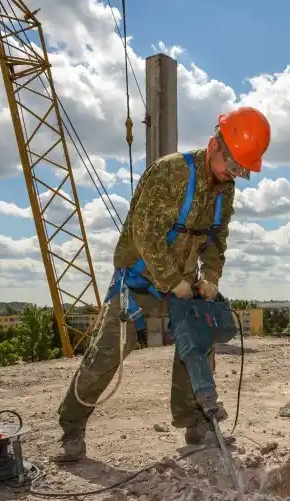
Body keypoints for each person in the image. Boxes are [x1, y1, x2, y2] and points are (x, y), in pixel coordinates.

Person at [50, 106, 271, 463]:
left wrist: (210, 277)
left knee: (197, 343)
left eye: (239, 172)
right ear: (215, 144)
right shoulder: (171, 173)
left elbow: (217, 237)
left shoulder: (224, 190)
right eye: (230, 167)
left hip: (182, 282)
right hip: (140, 279)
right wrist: (173, 282)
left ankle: (196, 424)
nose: (232, 176)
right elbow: (146, 233)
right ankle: (71, 428)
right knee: (107, 353)